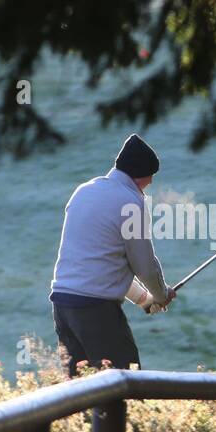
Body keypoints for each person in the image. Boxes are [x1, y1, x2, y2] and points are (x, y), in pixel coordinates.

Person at [49, 134, 176, 375]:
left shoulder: (83, 192)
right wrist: (161, 294)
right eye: (150, 178)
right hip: (95, 309)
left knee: (78, 391)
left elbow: (106, 263)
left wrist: (146, 300)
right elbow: (145, 266)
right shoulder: (131, 202)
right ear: (141, 176)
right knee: (126, 380)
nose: (149, 185)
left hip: (63, 305)